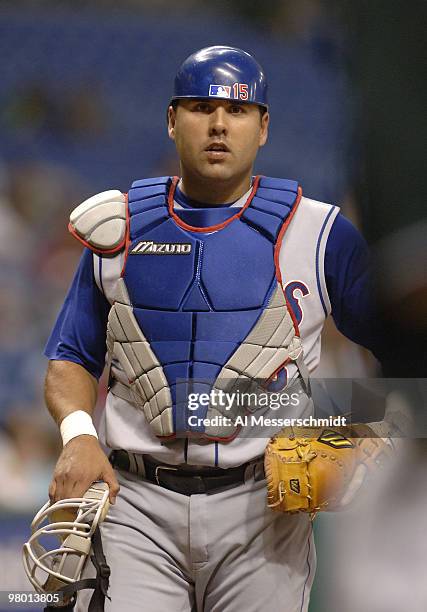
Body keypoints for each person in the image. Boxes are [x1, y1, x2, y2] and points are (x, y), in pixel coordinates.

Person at [44, 46, 381, 612]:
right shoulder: (116, 226)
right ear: (172, 121)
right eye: (200, 108)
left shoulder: (320, 234)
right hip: (135, 503)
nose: (220, 124)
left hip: (264, 509)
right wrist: (77, 434)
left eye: (239, 111)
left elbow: (401, 347)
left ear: (264, 125)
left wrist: (366, 427)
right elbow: (69, 358)